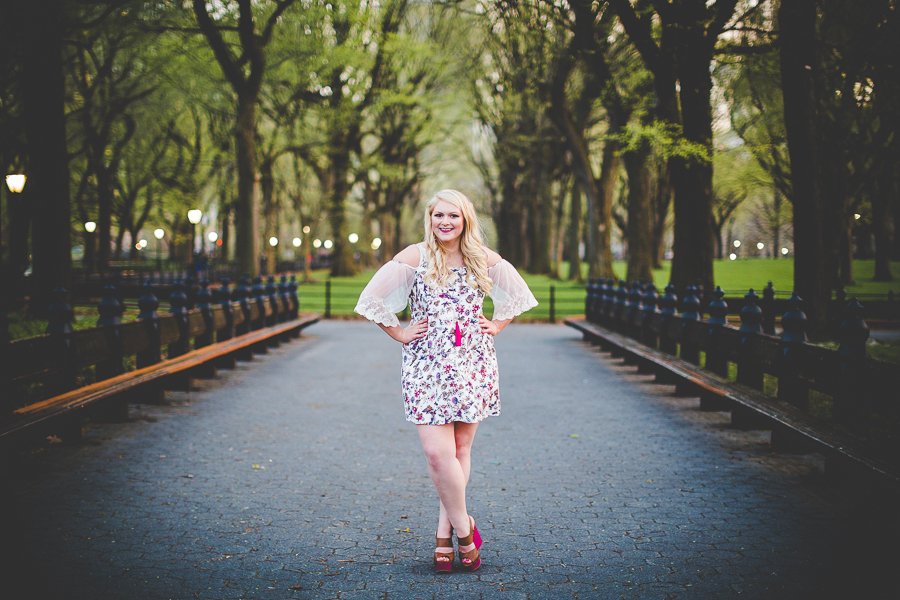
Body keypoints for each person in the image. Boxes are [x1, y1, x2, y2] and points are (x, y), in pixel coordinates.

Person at [354, 189, 538, 573]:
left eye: (453, 216)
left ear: (465, 219)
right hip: (426, 364)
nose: (445, 222)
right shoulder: (415, 257)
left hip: (472, 361)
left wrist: (497, 323)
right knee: (438, 454)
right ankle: (466, 531)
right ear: (430, 218)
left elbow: (517, 295)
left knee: (460, 450)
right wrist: (400, 333)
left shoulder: (482, 259)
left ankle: (443, 538)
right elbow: (371, 299)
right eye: (439, 215)